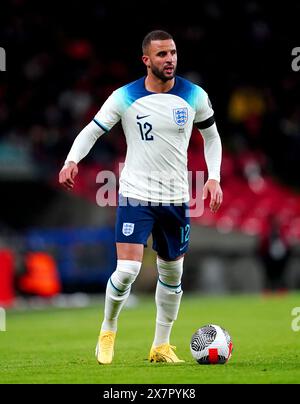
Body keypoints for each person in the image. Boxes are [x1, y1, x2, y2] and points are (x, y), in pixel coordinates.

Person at [59, 30, 223, 364]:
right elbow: (92, 130)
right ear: (146, 60)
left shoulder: (194, 95)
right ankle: (107, 331)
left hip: (176, 199)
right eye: (162, 55)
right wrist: (71, 160)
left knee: (173, 275)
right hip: (136, 195)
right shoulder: (124, 96)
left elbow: (212, 137)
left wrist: (214, 177)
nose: (170, 60)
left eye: (173, 53)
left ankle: (160, 345)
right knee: (127, 270)